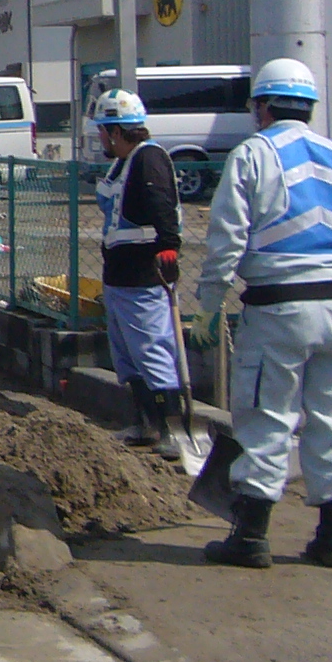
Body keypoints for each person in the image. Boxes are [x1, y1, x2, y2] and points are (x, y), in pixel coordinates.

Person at [190, 56, 332, 569]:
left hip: (278, 306)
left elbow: (227, 237)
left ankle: (250, 536)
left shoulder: (253, 154)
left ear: (261, 107)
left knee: (267, 418)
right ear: (309, 106)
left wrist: (208, 305)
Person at [92, 89, 190, 460]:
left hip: (144, 277)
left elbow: (162, 204)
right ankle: (146, 424)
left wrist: (169, 246)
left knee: (152, 352)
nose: (100, 138)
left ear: (116, 131)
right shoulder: (123, 162)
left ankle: (172, 430)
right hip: (119, 276)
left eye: (103, 131)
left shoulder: (149, 159)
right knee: (128, 358)